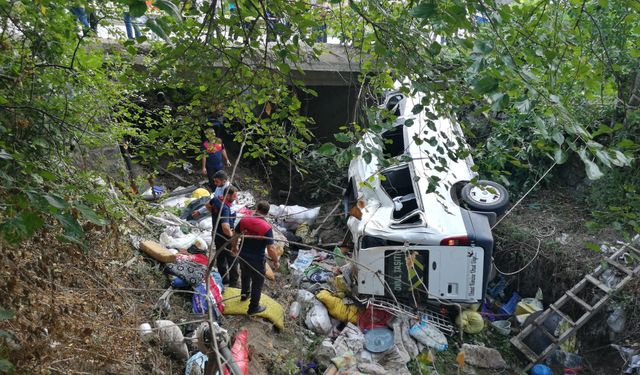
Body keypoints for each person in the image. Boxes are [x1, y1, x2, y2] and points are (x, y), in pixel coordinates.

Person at [232, 200, 279, 315]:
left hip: (243, 255)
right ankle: (253, 308)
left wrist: (234, 247)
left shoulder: (244, 220)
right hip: (257, 259)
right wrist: (275, 261)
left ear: (256, 209)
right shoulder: (266, 227)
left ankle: (244, 295)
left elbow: (235, 235)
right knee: (257, 283)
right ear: (266, 213)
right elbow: (271, 249)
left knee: (245, 275)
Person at [211, 186, 239, 286]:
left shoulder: (216, 199)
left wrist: (215, 216)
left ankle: (224, 279)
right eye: (234, 196)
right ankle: (233, 284)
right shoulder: (226, 208)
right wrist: (232, 235)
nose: (235, 198)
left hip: (216, 234)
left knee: (220, 257)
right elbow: (225, 227)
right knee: (233, 259)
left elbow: (207, 206)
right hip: (225, 237)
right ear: (228, 196)